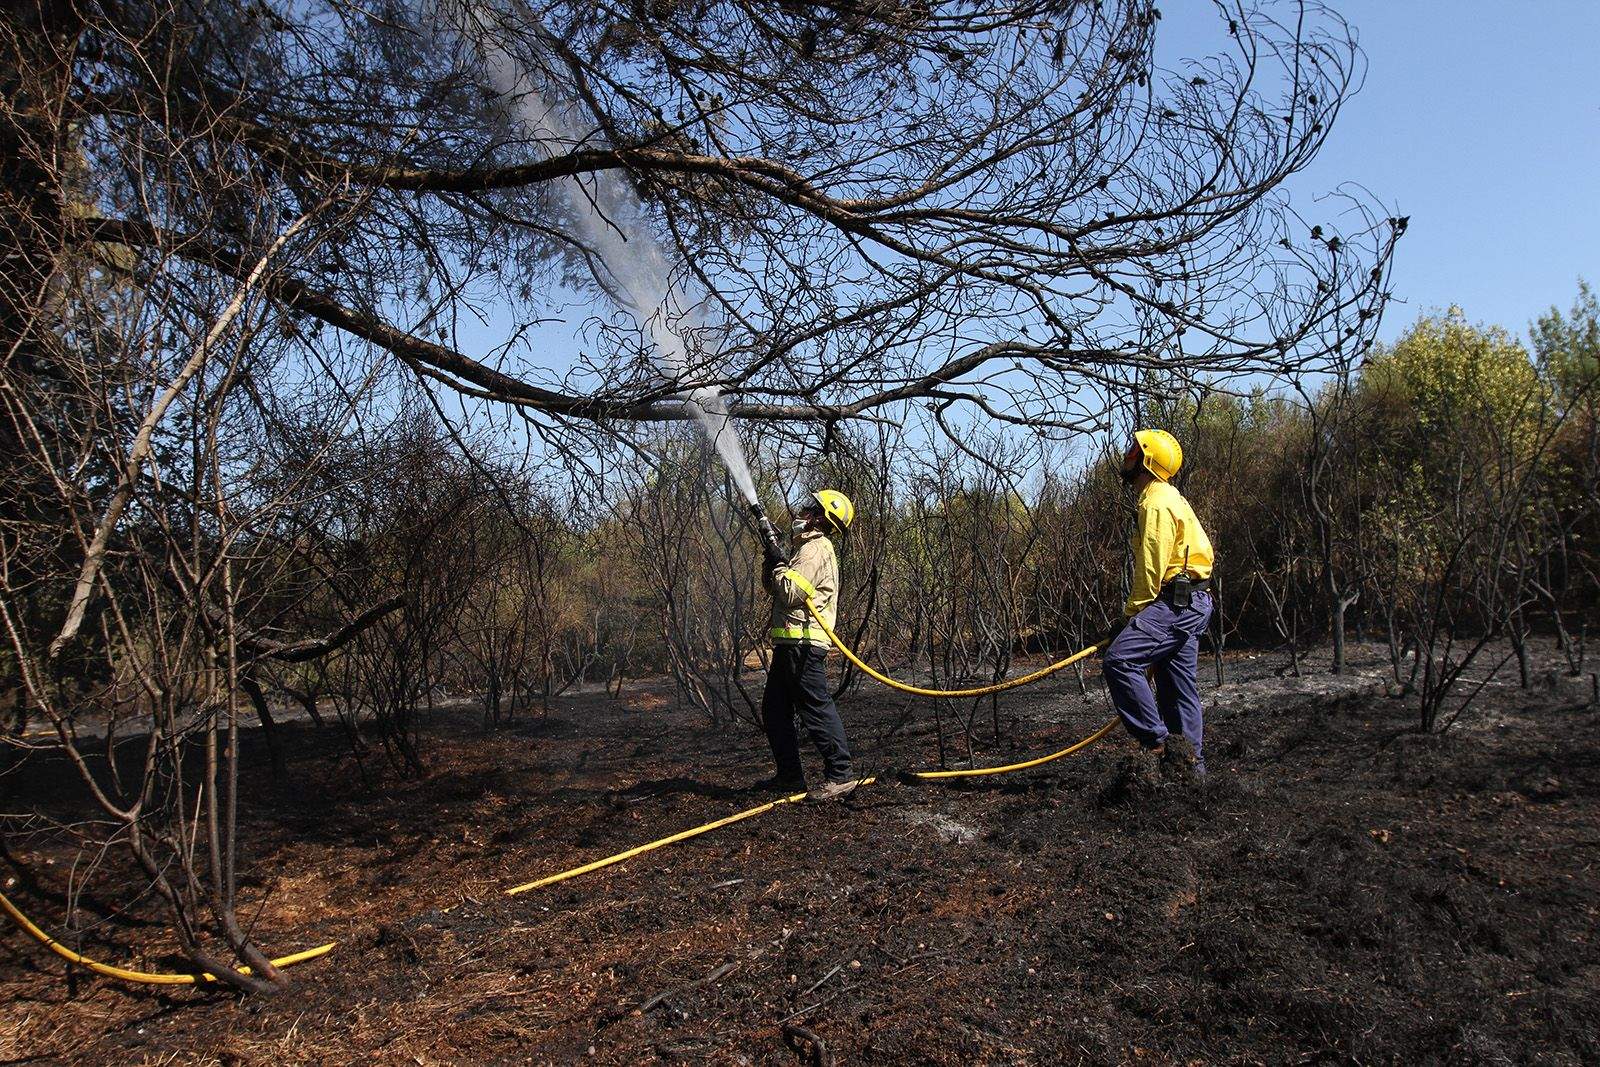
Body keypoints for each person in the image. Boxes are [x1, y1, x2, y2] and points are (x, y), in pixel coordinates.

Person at [1102, 429, 1215, 779]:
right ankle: (1191, 773)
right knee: (1176, 685)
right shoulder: (1168, 497)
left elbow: (1151, 564)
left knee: (1120, 661)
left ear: (1147, 461)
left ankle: (1159, 745)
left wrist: (1131, 615)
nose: (1127, 455)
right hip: (1194, 601)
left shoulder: (1156, 503)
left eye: (1134, 451)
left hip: (1175, 603)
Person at [757, 489, 859, 801]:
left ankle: (841, 774)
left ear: (819, 517)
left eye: (809, 508)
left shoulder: (816, 548)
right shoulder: (807, 549)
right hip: (791, 643)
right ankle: (790, 776)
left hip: (803, 642)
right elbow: (775, 587)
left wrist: (779, 565)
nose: (802, 512)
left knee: (815, 708)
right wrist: (771, 557)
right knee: (775, 710)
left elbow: (789, 593)